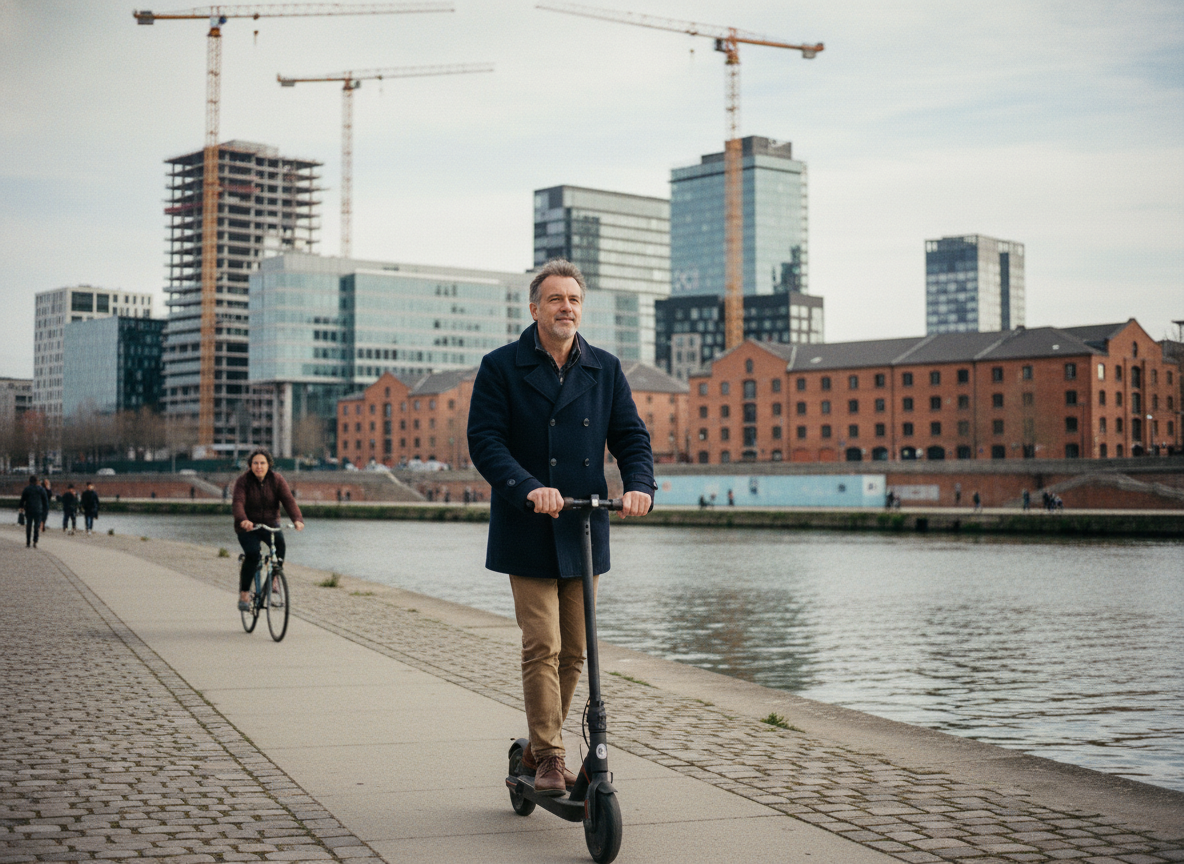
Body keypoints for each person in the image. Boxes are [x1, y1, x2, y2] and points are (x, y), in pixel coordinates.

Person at [467, 258, 655, 796]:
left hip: (584, 525)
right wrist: (528, 487)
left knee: (576, 651)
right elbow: (486, 441)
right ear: (534, 308)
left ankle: (531, 750)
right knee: (542, 643)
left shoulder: (605, 368)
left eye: (573, 299)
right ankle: (550, 757)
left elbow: (631, 437)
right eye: (555, 299)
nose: (565, 307)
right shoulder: (501, 366)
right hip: (527, 525)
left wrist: (639, 485)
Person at [231, 448, 305, 611]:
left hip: (270, 524)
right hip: (248, 526)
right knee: (252, 554)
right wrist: (243, 520)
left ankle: (274, 578)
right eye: (255, 463)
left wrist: (297, 520)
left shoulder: (277, 480)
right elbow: (238, 503)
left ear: (269, 465)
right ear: (250, 465)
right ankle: (244, 593)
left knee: (280, 546)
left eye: (262, 463)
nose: (259, 466)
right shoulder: (243, 481)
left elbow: (288, 501)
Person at [19, 475, 49, 548]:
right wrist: (45, 512)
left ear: (29, 481)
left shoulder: (27, 489)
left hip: (29, 510)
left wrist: (21, 508)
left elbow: (22, 500)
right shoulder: (41, 489)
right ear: (37, 481)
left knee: (28, 526)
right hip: (38, 510)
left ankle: (28, 542)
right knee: (36, 526)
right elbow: (45, 502)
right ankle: (35, 541)